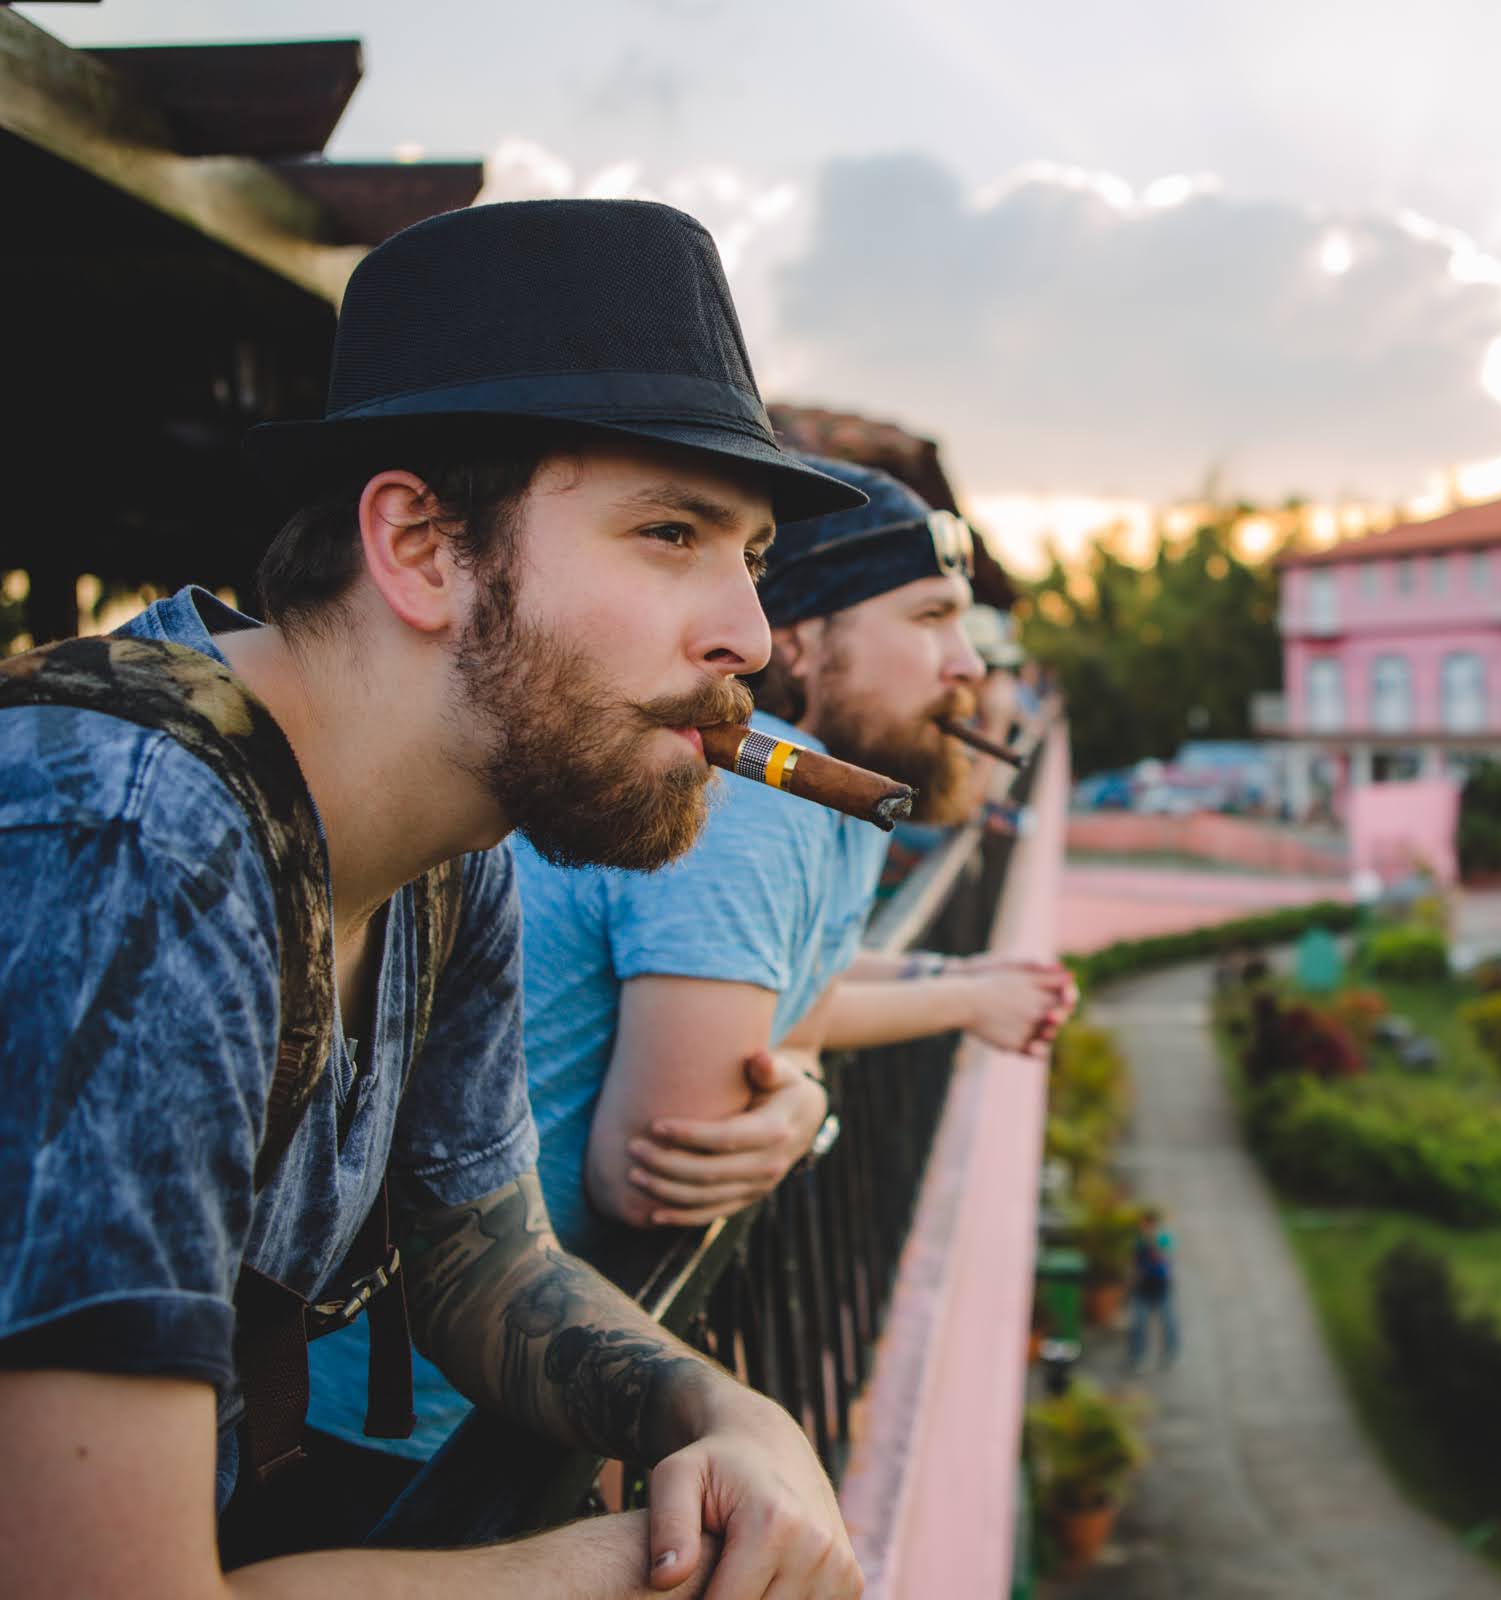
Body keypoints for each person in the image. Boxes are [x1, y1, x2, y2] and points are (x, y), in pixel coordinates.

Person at [0, 199, 875, 1597]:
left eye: (751, 556)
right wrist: (629, 1572)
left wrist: (723, 1415)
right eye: (669, 532)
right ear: (417, 545)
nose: (749, 639)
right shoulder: (131, 841)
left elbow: (478, 1256)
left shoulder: (445, 841)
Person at [306, 459, 1077, 1473]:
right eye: (931, 617)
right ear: (802, 641)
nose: (968, 666)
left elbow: (784, 1001)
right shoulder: (758, 807)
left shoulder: (813, 795)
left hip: (456, 1382)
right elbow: (667, 1165)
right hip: (407, 1424)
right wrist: (804, 1095)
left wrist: (920, 1015)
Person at [1126, 1207, 1180, 1373]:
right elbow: (1134, 1262)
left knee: (1168, 1322)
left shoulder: (1163, 1238)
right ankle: (1137, 1356)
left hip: (1160, 1285)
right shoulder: (1138, 1240)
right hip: (1143, 1285)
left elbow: (1164, 1257)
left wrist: (1153, 1242)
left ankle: (1170, 1354)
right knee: (1138, 1323)